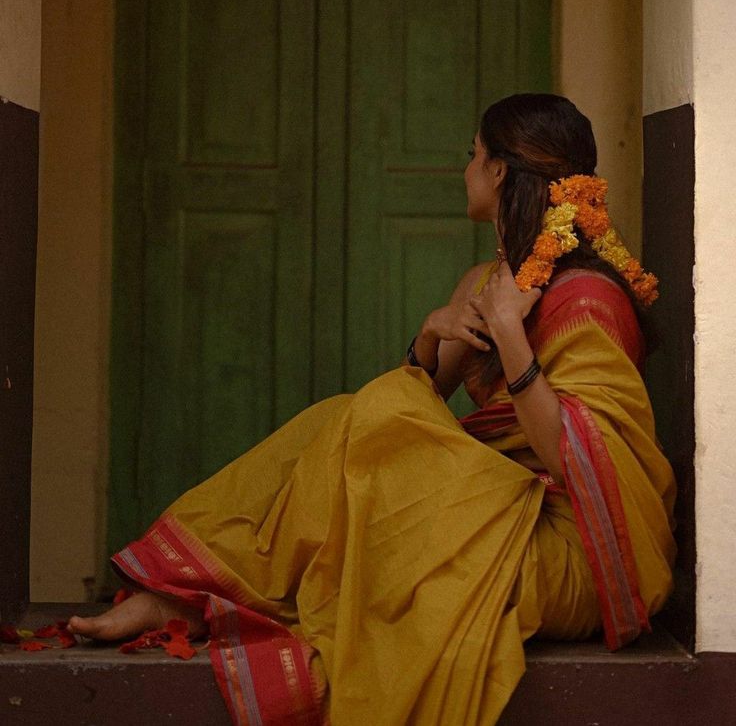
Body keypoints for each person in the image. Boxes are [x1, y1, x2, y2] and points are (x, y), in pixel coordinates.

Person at [69, 94, 676, 726]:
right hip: (489, 513)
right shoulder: (482, 282)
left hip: (568, 551)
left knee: (374, 490)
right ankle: (185, 595)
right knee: (347, 417)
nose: (463, 170)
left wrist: (512, 335)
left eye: (472, 155)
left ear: (499, 172)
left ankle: (195, 603)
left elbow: (579, 464)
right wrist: (431, 334)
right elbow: (410, 403)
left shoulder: (589, 298)